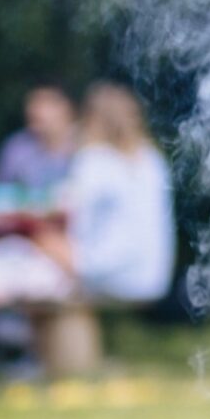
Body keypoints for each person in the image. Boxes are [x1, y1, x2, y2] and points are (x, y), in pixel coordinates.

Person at [32, 82, 174, 302]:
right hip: (153, 276)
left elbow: (67, 210)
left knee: (37, 249)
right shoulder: (152, 159)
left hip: (107, 273)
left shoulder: (94, 159)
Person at [0, 84, 76, 197]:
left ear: (67, 107)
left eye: (44, 103)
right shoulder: (16, 147)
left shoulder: (86, 146)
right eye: (32, 102)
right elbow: (0, 197)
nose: (35, 110)